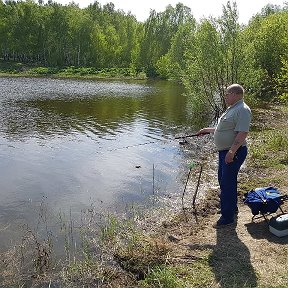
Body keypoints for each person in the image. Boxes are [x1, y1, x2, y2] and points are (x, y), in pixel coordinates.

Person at [196, 83, 252, 227]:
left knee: (226, 182)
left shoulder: (243, 110)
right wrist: (207, 130)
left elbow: (242, 133)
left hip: (233, 152)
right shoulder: (232, 109)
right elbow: (223, 129)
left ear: (235, 94)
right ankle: (231, 208)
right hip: (225, 152)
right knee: (225, 180)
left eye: (227, 94)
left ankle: (227, 218)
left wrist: (232, 152)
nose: (225, 96)